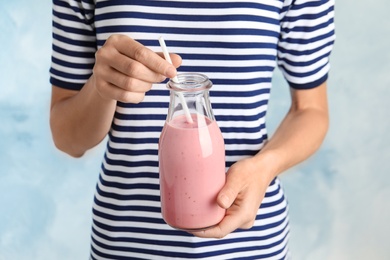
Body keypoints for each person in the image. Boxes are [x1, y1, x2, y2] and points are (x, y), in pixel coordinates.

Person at [49, 0, 335, 259]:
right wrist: (102, 88)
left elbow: (310, 111)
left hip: (249, 240)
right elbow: (68, 140)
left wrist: (264, 167)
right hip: (128, 240)